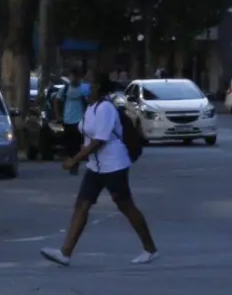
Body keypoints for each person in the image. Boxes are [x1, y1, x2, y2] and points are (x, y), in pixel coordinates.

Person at [40, 73, 158, 268]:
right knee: (82, 204)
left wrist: (74, 160)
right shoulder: (91, 108)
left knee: (125, 206)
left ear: (99, 89)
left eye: (90, 84)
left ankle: (150, 249)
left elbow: (99, 140)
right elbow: (87, 137)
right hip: (96, 167)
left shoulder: (106, 109)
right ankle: (65, 253)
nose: (87, 87)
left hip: (114, 165)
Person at [60, 75, 90, 168]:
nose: (74, 79)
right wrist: (58, 115)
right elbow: (57, 100)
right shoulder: (65, 89)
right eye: (72, 76)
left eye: (76, 76)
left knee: (77, 142)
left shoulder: (84, 88)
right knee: (69, 143)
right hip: (67, 119)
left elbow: (89, 101)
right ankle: (71, 160)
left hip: (79, 119)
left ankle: (75, 162)